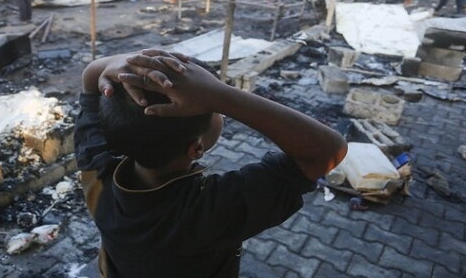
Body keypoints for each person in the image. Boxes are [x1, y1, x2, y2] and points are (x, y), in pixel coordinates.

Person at [75, 49, 347, 278]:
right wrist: (220, 94)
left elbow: (90, 79)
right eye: (216, 110)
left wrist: (124, 63)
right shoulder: (209, 212)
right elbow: (327, 151)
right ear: (196, 148)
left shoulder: (98, 171)